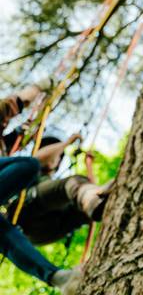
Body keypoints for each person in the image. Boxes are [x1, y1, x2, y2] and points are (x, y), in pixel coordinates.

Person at [0, 81, 82, 293]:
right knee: (28, 165)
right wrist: (40, 87)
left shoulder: (6, 145)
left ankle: (58, 278)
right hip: (29, 190)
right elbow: (14, 102)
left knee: (4, 233)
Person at [6, 130, 113, 246]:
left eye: (59, 156)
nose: (55, 157)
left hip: (46, 229)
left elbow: (95, 194)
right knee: (72, 183)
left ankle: (108, 206)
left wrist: (89, 167)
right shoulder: (32, 170)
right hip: (25, 211)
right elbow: (38, 160)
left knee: (82, 210)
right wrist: (67, 143)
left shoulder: (54, 184)